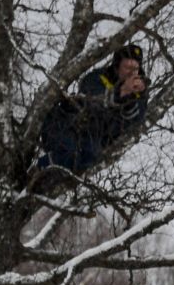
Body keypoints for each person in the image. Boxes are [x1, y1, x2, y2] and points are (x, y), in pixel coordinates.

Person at [34, 43, 149, 182]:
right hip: (65, 122)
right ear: (117, 66)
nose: (131, 73)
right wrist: (120, 92)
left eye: (135, 68)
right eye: (127, 67)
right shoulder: (98, 77)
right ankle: (36, 171)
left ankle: (41, 185)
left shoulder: (139, 97)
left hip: (91, 138)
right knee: (68, 151)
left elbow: (128, 124)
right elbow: (91, 100)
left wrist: (129, 98)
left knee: (88, 158)